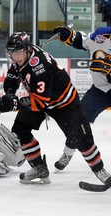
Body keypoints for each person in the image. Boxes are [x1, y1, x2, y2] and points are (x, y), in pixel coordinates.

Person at [0, 31, 111, 186]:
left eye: (17, 53)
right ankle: (39, 168)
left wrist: (14, 104)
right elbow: (16, 70)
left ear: (27, 50)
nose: (14, 57)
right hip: (42, 99)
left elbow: (40, 102)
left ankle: (101, 171)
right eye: (11, 53)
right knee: (21, 129)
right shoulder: (22, 55)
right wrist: (10, 88)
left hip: (64, 104)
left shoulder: (40, 67)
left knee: (82, 140)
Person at [52, 26, 111, 171]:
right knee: (78, 122)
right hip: (99, 90)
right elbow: (82, 39)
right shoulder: (101, 36)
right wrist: (69, 35)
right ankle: (67, 154)